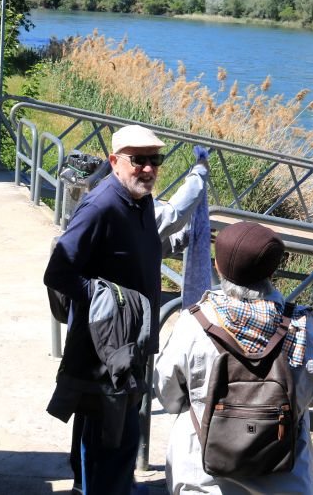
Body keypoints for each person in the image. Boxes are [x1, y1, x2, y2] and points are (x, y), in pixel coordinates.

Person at [45, 125, 205, 494]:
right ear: (115, 161)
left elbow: (139, 247)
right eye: (138, 161)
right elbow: (58, 271)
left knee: (100, 432)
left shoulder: (140, 200)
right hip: (108, 344)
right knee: (117, 438)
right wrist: (105, 299)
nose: (148, 169)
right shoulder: (101, 206)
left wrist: (183, 240)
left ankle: (94, 487)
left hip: (130, 340)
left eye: (155, 160)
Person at [155, 221, 313, 494]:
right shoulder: (300, 325)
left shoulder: (195, 322)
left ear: (218, 267)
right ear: (272, 271)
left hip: (202, 480)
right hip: (285, 482)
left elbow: (167, 393)